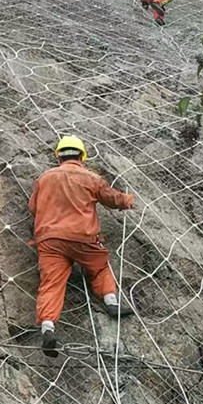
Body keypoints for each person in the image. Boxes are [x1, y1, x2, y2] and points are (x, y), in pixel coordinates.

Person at [28, 136, 135, 357]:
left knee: (51, 283)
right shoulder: (90, 177)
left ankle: (48, 326)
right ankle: (111, 302)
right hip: (83, 238)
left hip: (50, 240)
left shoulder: (44, 178)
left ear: (59, 155)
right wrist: (127, 200)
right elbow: (111, 198)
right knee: (99, 266)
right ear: (81, 156)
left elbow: (33, 208)